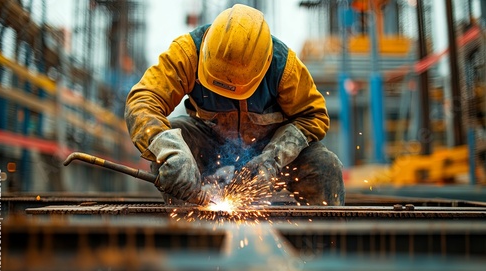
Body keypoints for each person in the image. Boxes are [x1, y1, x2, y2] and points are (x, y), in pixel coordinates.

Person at [125, 4, 345, 206]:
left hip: (267, 150)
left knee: (323, 164)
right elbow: (144, 100)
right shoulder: (187, 53)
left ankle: (320, 246)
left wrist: (272, 159)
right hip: (211, 145)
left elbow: (313, 116)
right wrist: (170, 150)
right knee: (171, 145)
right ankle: (193, 227)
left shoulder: (284, 67)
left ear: (263, 65)